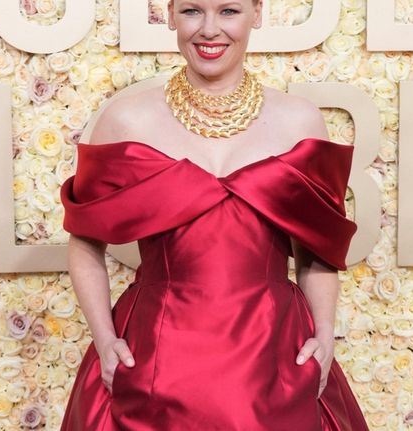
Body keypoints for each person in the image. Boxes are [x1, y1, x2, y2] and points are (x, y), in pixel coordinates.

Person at [58, 0, 369, 429]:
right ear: (169, 15)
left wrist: (324, 335)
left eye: (228, 11)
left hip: (274, 359)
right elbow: (85, 241)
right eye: (191, 11)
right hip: (154, 358)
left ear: (256, 14)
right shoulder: (126, 119)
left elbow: (318, 252)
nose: (208, 30)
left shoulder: (300, 121)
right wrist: (105, 340)